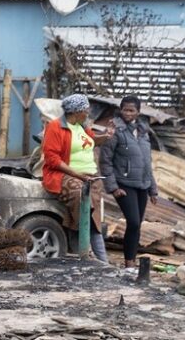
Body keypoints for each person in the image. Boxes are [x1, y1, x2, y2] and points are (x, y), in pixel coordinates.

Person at [42, 94, 114, 262]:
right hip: (65, 175)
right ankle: (86, 252)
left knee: (94, 216)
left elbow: (92, 141)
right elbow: (52, 159)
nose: (88, 112)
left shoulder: (82, 126)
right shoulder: (55, 127)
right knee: (84, 204)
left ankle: (99, 260)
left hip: (91, 176)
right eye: (86, 109)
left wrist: (106, 136)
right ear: (76, 111)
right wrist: (77, 175)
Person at [99, 96, 158, 270]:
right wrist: (113, 187)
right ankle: (129, 263)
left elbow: (147, 163)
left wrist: (152, 189)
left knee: (137, 224)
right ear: (121, 109)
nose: (128, 113)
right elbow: (105, 161)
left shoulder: (143, 132)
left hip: (142, 184)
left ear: (138, 112)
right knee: (132, 222)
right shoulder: (114, 130)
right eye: (125, 109)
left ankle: (130, 263)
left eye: (132, 110)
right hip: (124, 184)